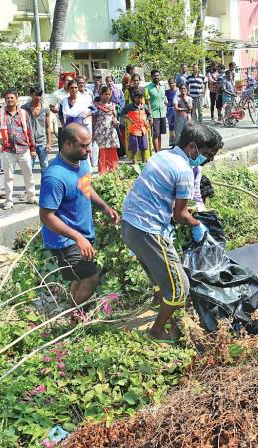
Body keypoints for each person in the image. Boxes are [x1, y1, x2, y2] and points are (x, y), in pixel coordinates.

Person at [121, 121, 224, 342]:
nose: (209, 159)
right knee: (180, 289)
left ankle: (171, 321)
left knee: (161, 280)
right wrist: (197, 225)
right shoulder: (184, 170)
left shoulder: (161, 156)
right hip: (148, 231)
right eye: (207, 154)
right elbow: (180, 215)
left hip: (130, 226)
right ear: (192, 147)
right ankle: (156, 331)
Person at [39, 123, 120, 307]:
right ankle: (73, 318)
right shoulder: (54, 177)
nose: (89, 150)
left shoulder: (81, 162)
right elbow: (46, 216)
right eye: (83, 146)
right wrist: (77, 238)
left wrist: (105, 207)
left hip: (82, 235)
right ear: (67, 145)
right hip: (65, 242)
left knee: (80, 277)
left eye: (89, 144)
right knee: (91, 278)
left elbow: (85, 187)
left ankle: (73, 312)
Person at [0, 89, 37, 210]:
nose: (10, 100)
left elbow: (30, 131)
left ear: (16, 99)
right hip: (8, 150)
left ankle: (31, 196)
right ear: (5, 100)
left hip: (23, 148)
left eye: (12, 98)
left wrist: (32, 148)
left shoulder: (24, 113)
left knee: (28, 174)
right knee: (8, 177)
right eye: (7, 98)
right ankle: (9, 201)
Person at [91, 85, 120, 173]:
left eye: (109, 94)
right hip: (101, 130)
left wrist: (115, 120)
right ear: (101, 94)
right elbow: (94, 120)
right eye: (105, 94)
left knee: (112, 149)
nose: (107, 96)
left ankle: (113, 169)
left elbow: (115, 117)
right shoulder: (96, 106)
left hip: (111, 131)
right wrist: (93, 133)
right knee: (103, 150)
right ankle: (103, 170)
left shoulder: (113, 105)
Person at [23, 86, 52, 171]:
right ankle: (30, 185)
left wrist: (49, 143)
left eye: (39, 95)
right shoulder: (24, 108)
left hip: (42, 141)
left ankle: (45, 184)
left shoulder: (45, 108)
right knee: (29, 167)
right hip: (28, 143)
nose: (38, 97)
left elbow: (48, 126)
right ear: (31, 95)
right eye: (35, 95)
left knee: (45, 166)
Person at [122, 86, 152, 163]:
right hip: (134, 130)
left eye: (141, 98)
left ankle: (143, 164)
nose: (139, 99)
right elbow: (122, 113)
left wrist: (147, 120)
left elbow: (149, 114)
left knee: (143, 148)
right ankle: (134, 164)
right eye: (138, 98)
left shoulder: (144, 106)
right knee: (134, 149)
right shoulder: (130, 106)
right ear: (134, 98)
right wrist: (129, 119)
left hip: (143, 130)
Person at [147, 69, 167, 152]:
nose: (156, 77)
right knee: (155, 134)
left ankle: (160, 151)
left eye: (158, 75)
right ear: (151, 77)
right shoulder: (148, 88)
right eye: (155, 76)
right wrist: (150, 116)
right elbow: (147, 103)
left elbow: (164, 99)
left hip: (162, 113)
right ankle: (157, 153)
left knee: (160, 135)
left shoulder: (163, 87)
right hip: (154, 114)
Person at [165, 78, 179, 142]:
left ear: (175, 83)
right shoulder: (167, 92)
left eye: (173, 83)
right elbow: (163, 99)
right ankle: (172, 142)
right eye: (170, 83)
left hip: (177, 110)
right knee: (171, 126)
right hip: (169, 110)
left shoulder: (178, 91)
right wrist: (166, 104)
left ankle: (178, 141)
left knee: (178, 126)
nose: (171, 85)